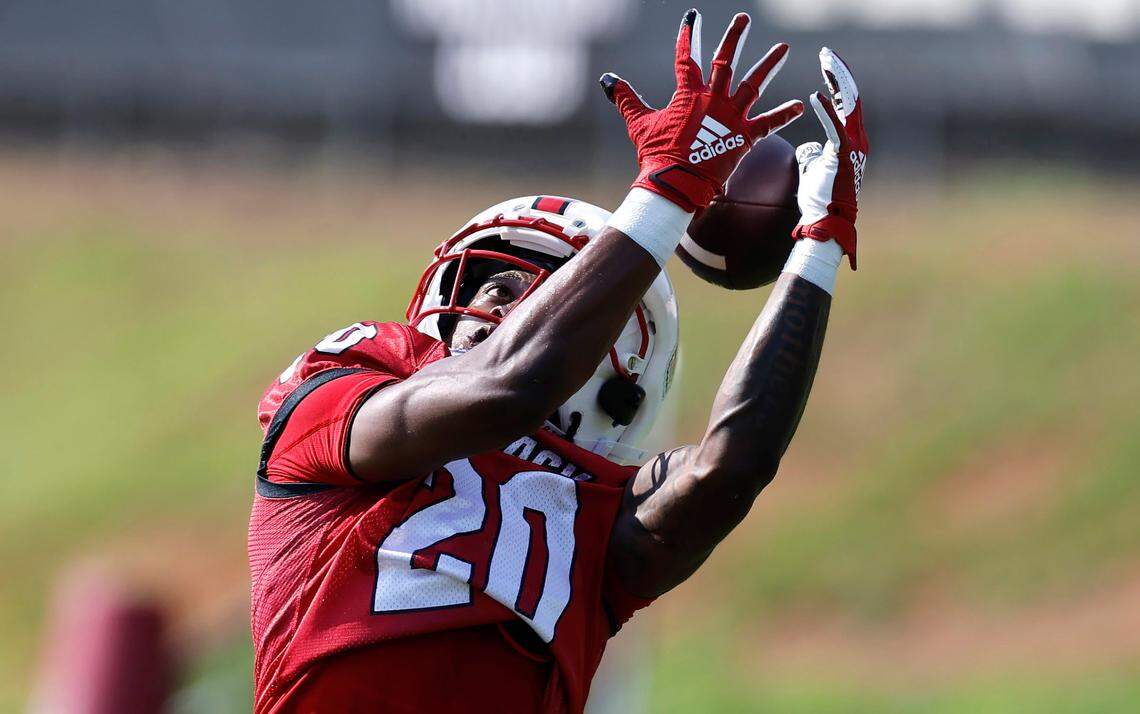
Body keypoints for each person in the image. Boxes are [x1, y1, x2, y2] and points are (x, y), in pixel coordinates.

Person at [248, 9, 868, 713]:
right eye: (494, 285)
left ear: (617, 359)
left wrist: (819, 245)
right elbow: (510, 386)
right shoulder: (342, 391)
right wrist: (668, 192)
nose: (500, 309)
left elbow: (733, 465)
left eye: (536, 295)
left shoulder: (595, 521)